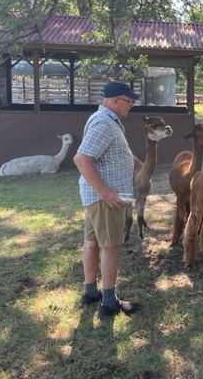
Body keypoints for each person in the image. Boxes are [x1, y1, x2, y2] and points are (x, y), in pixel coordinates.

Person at [73, 81, 141, 319]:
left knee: (92, 243)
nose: (131, 106)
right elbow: (82, 159)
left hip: (98, 198)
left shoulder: (106, 120)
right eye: (129, 101)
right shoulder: (103, 123)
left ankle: (90, 293)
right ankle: (109, 303)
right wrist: (104, 191)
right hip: (106, 200)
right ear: (114, 100)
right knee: (111, 246)